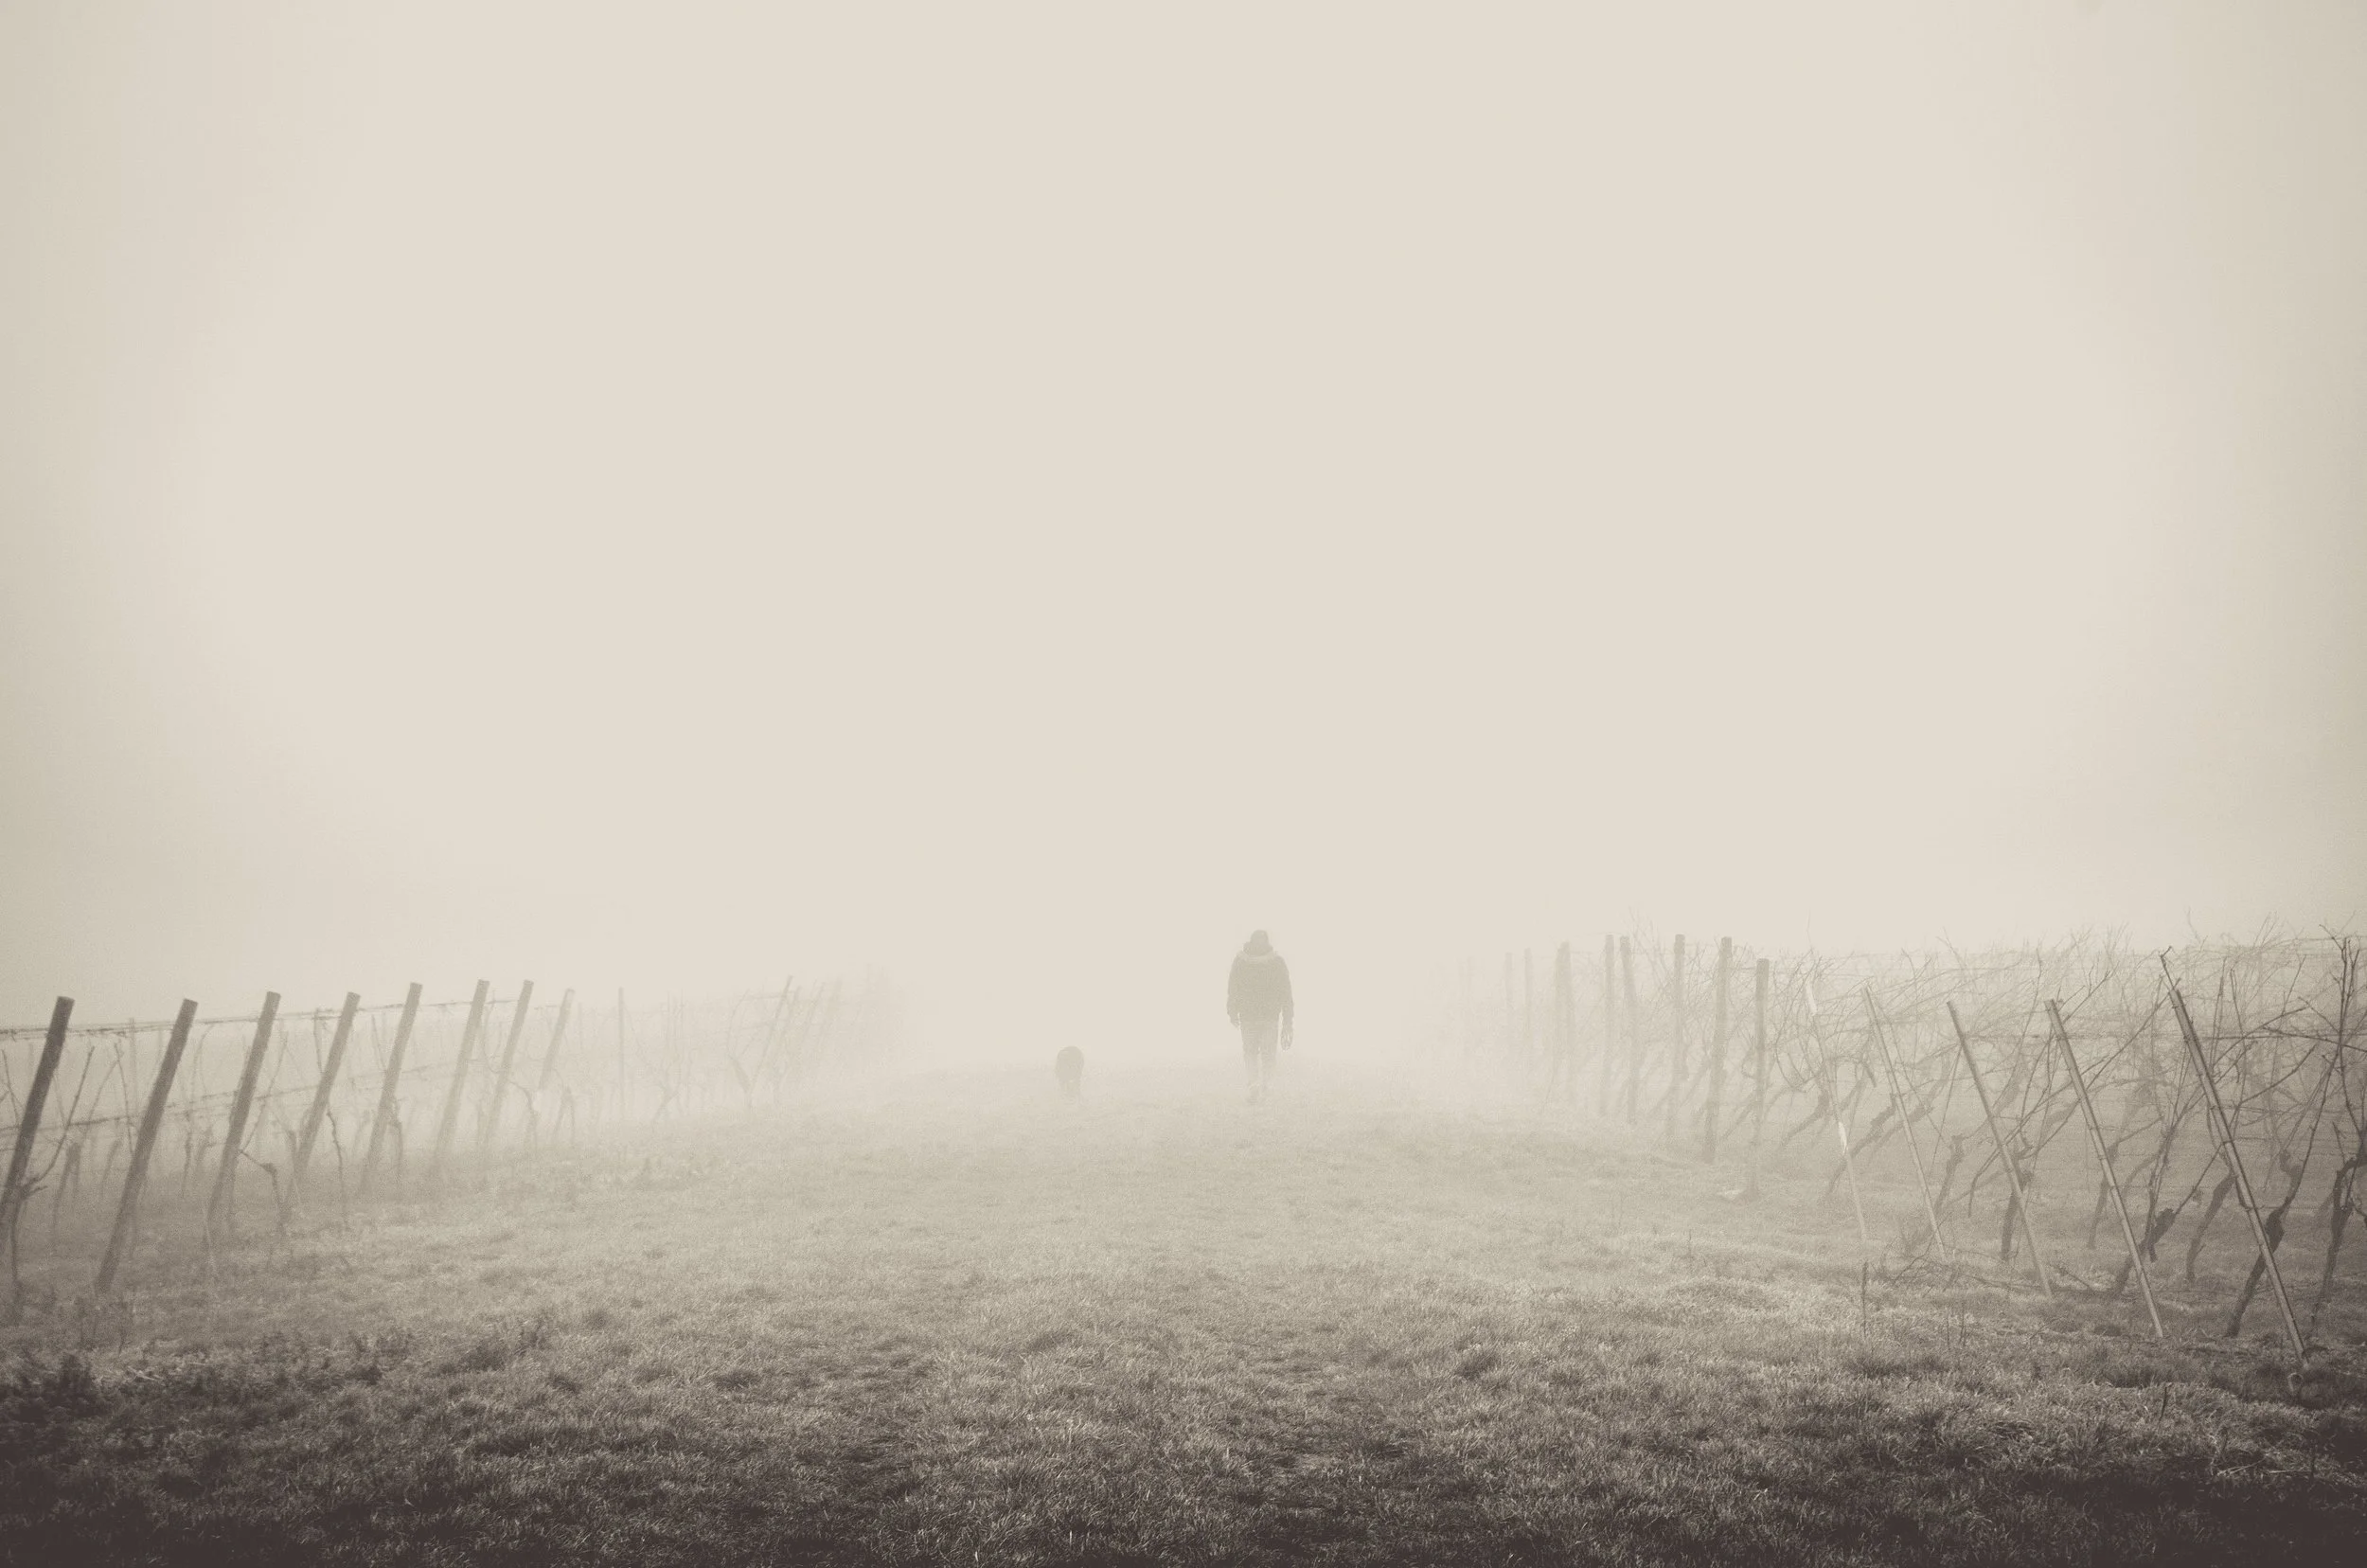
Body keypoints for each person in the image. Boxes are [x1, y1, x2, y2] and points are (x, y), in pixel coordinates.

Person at [1226, 929, 1293, 1101]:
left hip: (1248, 1016)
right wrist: (1288, 1019)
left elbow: (1233, 988)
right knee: (1268, 1052)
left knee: (1250, 1052)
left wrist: (1232, 1011)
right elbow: (1286, 992)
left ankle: (1254, 1083)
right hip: (1269, 1016)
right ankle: (1266, 1084)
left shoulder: (1240, 962)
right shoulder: (1276, 962)